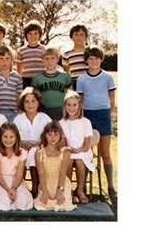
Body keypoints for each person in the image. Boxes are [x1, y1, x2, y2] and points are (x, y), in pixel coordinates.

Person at [77, 46, 117, 199]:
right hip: (88, 117)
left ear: (101, 59)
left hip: (103, 115)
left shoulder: (108, 77)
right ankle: (84, 187)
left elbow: (112, 98)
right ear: (86, 61)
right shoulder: (82, 79)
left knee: (105, 153)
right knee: (87, 152)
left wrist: (107, 112)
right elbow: (80, 100)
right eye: (90, 59)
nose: (93, 61)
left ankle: (111, 187)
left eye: (96, 58)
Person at [13, 87, 51, 197]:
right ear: (22, 104)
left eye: (33, 101)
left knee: (35, 152)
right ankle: (21, 187)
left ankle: (36, 187)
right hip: (22, 147)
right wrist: (21, 144)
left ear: (38, 102)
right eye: (27, 101)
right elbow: (14, 137)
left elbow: (50, 136)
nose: (30, 104)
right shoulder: (18, 119)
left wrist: (38, 144)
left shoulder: (44, 118)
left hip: (41, 147)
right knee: (23, 154)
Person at [59, 90, 95, 204]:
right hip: (68, 151)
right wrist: (69, 149)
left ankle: (80, 190)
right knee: (68, 160)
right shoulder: (62, 123)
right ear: (65, 106)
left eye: (74, 105)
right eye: (68, 105)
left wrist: (79, 150)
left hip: (83, 151)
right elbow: (63, 143)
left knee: (79, 160)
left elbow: (87, 144)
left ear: (79, 106)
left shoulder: (85, 122)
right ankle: (69, 191)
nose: (71, 108)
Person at [34, 121, 76, 211]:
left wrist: (60, 190)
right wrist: (45, 191)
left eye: (56, 134)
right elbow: (41, 173)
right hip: (46, 182)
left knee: (62, 204)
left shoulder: (65, 152)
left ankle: (64, 194)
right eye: (49, 134)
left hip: (61, 183)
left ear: (61, 136)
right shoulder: (39, 153)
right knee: (42, 205)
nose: (52, 137)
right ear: (45, 135)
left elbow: (63, 172)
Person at [0, 122, 33, 211]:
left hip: (16, 181)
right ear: (0, 138)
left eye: (11, 137)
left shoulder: (22, 153)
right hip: (1, 181)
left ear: (16, 138)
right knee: (4, 201)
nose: (8, 140)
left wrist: (13, 188)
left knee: (21, 200)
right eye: (5, 137)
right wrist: (8, 189)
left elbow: (19, 174)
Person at [32, 47, 72, 121]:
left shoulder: (65, 77)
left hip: (61, 111)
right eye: (46, 58)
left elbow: (70, 96)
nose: (49, 61)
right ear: (42, 60)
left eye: (52, 58)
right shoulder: (37, 78)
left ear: (57, 59)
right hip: (44, 111)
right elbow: (35, 98)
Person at [0, 45, 23, 122]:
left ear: (11, 60)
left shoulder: (18, 77)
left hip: (13, 113)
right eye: (1, 59)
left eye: (7, 58)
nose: (4, 62)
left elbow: (18, 97)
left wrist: (19, 111)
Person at [16, 20, 46, 88]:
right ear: (26, 35)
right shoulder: (21, 50)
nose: (33, 36)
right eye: (30, 33)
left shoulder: (44, 49)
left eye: (36, 33)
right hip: (26, 80)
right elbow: (19, 70)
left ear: (40, 34)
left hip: (41, 80)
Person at [62, 24, 89, 90]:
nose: (79, 37)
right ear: (71, 37)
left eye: (82, 34)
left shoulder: (90, 52)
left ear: (86, 37)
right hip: (74, 83)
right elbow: (66, 72)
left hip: (89, 82)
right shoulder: (67, 54)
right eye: (76, 34)